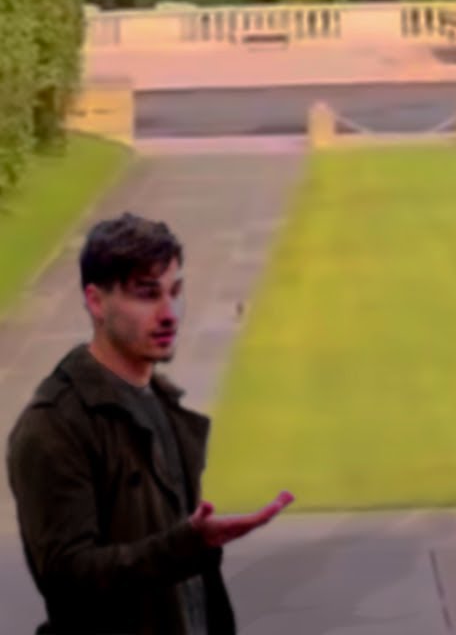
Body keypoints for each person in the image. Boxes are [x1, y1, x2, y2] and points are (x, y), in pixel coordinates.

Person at [6, 212, 293, 635]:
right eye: (147, 294)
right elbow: (68, 578)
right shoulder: (53, 428)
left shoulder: (160, 401)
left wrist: (193, 547)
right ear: (96, 301)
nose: (170, 313)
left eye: (175, 292)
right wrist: (188, 545)